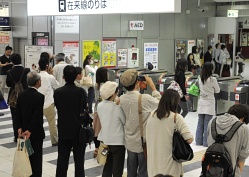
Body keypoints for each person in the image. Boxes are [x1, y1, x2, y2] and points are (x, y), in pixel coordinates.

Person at [119, 69, 161, 177]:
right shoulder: (145, 99)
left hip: (129, 141)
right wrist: (153, 87)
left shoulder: (121, 99)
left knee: (131, 172)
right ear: (137, 82)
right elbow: (161, 105)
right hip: (143, 143)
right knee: (143, 172)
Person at [146, 89, 193, 177]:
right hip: (170, 165)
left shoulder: (151, 115)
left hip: (153, 164)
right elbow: (189, 139)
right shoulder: (176, 117)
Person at [54, 65, 88, 177]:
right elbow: (84, 108)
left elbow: (58, 107)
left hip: (63, 129)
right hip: (78, 130)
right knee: (79, 161)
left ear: (63, 77)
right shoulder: (81, 92)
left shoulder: (58, 92)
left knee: (62, 160)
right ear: (75, 77)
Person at [16, 71, 45, 177]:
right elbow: (37, 116)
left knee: (25, 158)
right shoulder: (39, 96)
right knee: (36, 159)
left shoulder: (21, 95)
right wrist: (30, 130)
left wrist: (19, 127)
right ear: (37, 82)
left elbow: (17, 112)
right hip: (35, 133)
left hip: (23, 132)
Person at [207, 104, 249, 177]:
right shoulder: (243, 128)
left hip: (209, 169)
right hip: (230, 172)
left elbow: (209, 143)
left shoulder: (212, 122)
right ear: (242, 119)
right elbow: (243, 155)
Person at [97, 81, 126, 177]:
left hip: (105, 140)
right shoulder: (117, 108)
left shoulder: (99, 106)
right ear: (113, 94)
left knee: (107, 167)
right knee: (117, 170)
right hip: (118, 142)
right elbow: (124, 121)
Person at [6, 53, 30, 142]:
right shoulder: (26, 70)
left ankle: (17, 135)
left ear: (12, 61)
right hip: (25, 95)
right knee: (25, 115)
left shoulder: (9, 72)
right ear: (21, 60)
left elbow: (8, 84)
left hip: (14, 97)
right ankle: (25, 133)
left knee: (15, 117)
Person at [195, 62, 220, 147]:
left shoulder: (199, 78)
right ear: (211, 69)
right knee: (207, 124)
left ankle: (198, 141)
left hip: (201, 102)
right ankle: (206, 143)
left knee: (200, 123)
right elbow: (217, 90)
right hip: (209, 103)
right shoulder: (213, 79)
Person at [38, 57, 60, 146]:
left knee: (38, 123)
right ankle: (54, 141)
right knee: (52, 123)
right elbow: (57, 86)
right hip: (49, 104)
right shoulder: (49, 77)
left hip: (38, 104)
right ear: (48, 66)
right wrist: (52, 74)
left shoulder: (36, 76)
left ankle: (38, 139)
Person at [93, 67, 108, 158]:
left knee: (96, 131)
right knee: (103, 131)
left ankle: (96, 149)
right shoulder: (106, 85)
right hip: (104, 110)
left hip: (97, 110)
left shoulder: (96, 85)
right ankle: (103, 151)